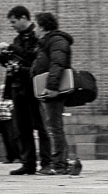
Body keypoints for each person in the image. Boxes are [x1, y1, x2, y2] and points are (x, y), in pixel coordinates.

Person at [0, 5, 49, 175]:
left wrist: (10, 47)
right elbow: (14, 61)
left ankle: (46, 162)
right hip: (17, 86)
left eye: (14, 22)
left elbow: (32, 58)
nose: (12, 25)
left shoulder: (36, 36)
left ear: (24, 18)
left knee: (40, 125)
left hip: (33, 86)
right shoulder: (18, 39)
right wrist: (1, 58)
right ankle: (28, 163)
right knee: (22, 127)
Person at [33, 10, 77, 176]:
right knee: (53, 127)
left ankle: (59, 164)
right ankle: (60, 162)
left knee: (54, 128)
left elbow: (57, 64)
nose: (34, 30)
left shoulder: (57, 40)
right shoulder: (47, 42)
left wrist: (52, 87)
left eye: (36, 26)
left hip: (54, 91)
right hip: (48, 90)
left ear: (43, 27)